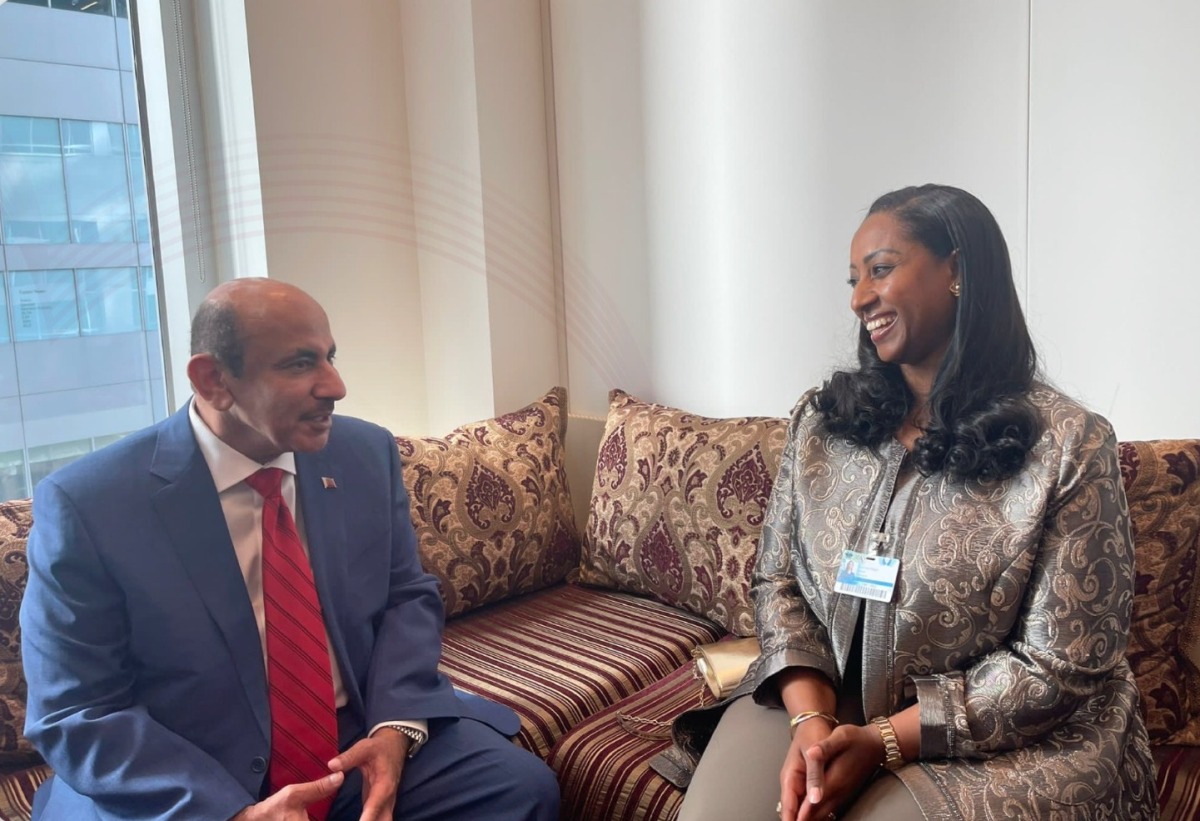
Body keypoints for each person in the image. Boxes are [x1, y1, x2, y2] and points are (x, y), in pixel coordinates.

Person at [671, 185, 1157, 820]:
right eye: (854, 280)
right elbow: (778, 581)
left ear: (957, 270)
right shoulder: (823, 423)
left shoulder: (1066, 445)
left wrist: (884, 740)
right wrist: (811, 721)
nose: (859, 299)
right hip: (825, 695)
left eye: (881, 269)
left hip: (1006, 740)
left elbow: (1060, 666)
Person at [19, 278, 560, 820]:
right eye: (300, 364)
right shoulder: (91, 504)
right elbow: (76, 710)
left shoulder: (364, 453)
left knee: (519, 790)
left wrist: (395, 729)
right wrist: (232, 812)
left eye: (330, 357)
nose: (336, 386)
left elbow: (406, 595)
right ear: (213, 380)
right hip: (188, 767)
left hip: (351, 739)